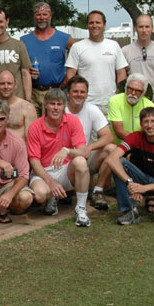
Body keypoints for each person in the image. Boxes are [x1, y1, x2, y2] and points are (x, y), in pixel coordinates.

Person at [27, 89, 92, 227]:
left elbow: (83, 151)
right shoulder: (35, 127)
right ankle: (52, 196)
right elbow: (34, 160)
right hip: (44, 171)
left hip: (65, 169)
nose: (56, 108)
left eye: (59, 104)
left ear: (64, 106)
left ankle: (81, 208)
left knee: (80, 162)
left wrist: (67, 151)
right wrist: (50, 181)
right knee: (39, 194)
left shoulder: (73, 121)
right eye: (52, 104)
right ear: (45, 105)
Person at [106, 107, 154, 224]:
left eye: (153, 121)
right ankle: (129, 211)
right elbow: (111, 159)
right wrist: (130, 183)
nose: (149, 125)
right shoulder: (135, 137)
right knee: (119, 162)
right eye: (146, 122)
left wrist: (144, 189)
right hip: (140, 178)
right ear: (141, 124)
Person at [92, 73, 154, 210]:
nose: (133, 93)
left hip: (140, 148)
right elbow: (119, 131)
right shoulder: (115, 100)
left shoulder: (149, 105)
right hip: (118, 145)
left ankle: (150, 194)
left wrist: (136, 149)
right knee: (112, 150)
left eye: (138, 91)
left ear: (144, 93)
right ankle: (98, 191)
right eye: (130, 89)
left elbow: (151, 133)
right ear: (125, 88)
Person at [63, 75, 116, 212]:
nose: (79, 95)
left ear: (87, 94)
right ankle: (70, 190)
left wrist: (90, 147)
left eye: (82, 92)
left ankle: (97, 191)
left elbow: (108, 137)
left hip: (85, 155)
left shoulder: (91, 109)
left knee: (111, 149)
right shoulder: (60, 110)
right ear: (68, 93)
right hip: (64, 159)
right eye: (75, 91)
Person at [65, 11, 128, 113]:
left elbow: (121, 73)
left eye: (98, 22)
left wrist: (119, 95)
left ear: (104, 25)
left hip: (110, 103)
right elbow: (70, 75)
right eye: (91, 23)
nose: (94, 25)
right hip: (85, 104)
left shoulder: (114, 45)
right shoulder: (77, 47)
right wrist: (76, 96)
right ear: (87, 25)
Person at [20, 2, 74, 116]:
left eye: (45, 14)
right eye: (38, 14)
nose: (41, 18)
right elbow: (19, 67)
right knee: (32, 128)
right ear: (34, 16)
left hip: (54, 92)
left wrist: (68, 78)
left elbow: (78, 59)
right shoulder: (24, 41)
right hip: (32, 93)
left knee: (52, 128)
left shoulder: (65, 38)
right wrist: (27, 70)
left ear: (50, 16)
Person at [121, 14, 154, 93]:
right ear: (135, 28)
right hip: (134, 99)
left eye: (147, 27)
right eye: (141, 27)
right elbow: (121, 77)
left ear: (152, 29)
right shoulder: (125, 51)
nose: (144, 30)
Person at [0, 70, 37, 141]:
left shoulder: (27, 108)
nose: (6, 87)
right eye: (2, 84)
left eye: (9, 83)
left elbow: (31, 140)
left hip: (20, 150)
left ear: (15, 85)